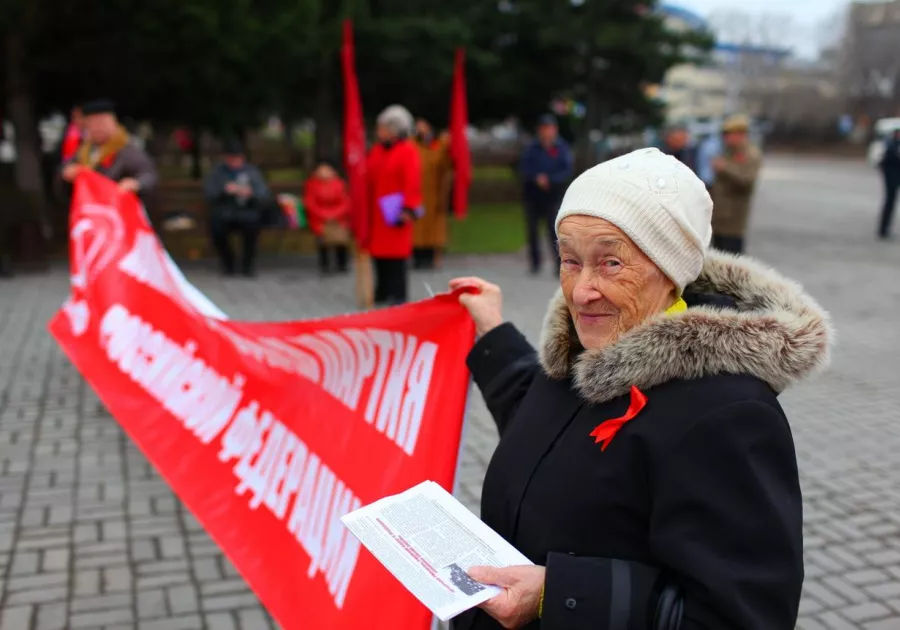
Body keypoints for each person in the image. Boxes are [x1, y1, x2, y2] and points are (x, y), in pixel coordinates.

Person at [448, 147, 832, 630]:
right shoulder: (584, 349)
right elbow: (546, 425)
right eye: (569, 259)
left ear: (670, 271)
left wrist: (555, 595)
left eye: (611, 263)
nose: (581, 290)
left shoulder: (728, 413)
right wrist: (494, 334)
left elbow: (743, 617)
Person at [366, 104, 423, 306]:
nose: (378, 131)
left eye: (382, 127)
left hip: (396, 211)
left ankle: (398, 293)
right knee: (378, 253)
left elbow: (412, 181)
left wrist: (408, 209)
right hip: (377, 211)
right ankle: (382, 290)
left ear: (394, 129)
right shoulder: (377, 151)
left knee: (396, 256)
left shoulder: (407, 151)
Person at [60, 99, 158, 200]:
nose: (97, 128)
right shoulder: (83, 151)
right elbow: (65, 170)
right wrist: (67, 174)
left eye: (102, 123)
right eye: (92, 124)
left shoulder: (126, 149)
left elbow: (149, 175)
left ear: (113, 123)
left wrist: (136, 183)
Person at [203, 138, 271, 277]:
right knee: (217, 230)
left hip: (247, 212)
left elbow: (264, 194)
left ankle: (247, 266)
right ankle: (229, 264)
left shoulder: (252, 172)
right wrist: (225, 190)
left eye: (237, 158)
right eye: (231, 158)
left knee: (252, 229)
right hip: (224, 213)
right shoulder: (218, 173)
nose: (234, 162)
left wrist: (250, 193)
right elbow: (209, 193)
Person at [520, 114, 573, 276]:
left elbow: (566, 171)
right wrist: (536, 177)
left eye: (549, 128)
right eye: (543, 128)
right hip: (533, 196)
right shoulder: (532, 148)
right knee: (532, 231)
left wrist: (550, 179)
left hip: (553, 196)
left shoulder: (561, 148)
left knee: (554, 231)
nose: (546, 132)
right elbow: (524, 168)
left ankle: (559, 266)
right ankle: (535, 263)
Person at [710, 114, 762, 254]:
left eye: (728, 134)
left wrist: (724, 168)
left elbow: (747, 181)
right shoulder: (729, 152)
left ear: (740, 134)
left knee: (732, 264)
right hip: (719, 219)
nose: (725, 138)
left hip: (734, 222)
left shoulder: (751, 154)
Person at [412, 118, 453, 270]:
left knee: (432, 228)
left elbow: (445, 164)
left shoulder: (438, 147)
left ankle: (430, 257)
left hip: (433, 194)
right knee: (417, 228)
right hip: (416, 194)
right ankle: (417, 257)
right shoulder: (412, 145)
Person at [303, 159, 351, 274]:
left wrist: (334, 214)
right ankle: (325, 265)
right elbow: (310, 203)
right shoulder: (311, 184)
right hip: (319, 219)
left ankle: (342, 264)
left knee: (341, 241)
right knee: (322, 241)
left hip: (338, 219)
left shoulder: (340, 184)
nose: (324, 172)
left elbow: (346, 202)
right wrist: (323, 214)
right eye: (321, 170)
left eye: (327, 169)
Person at [877, 128, 900, 239]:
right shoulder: (892, 145)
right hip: (892, 177)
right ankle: (883, 229)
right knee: (890, 202)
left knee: (890, 202)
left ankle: (884, 229)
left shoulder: (891, 144)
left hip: (893, 176)